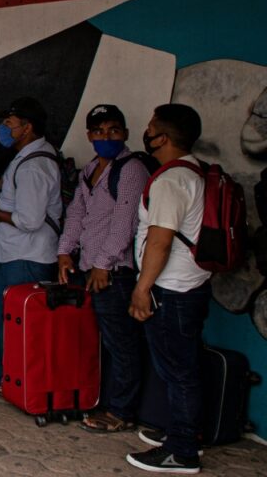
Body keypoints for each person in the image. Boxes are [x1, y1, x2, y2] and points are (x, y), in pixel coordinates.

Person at [57, 104, 151, 434]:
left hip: (114, 273)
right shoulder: (90, 171)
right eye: (98, 131)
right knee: (104, 342)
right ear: (89, 136)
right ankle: (105, 400)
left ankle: (121, 411)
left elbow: (125, 223)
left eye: (113, 130)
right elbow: (76, 216)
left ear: (124, 133)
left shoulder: (131, 169)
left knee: (122, 344)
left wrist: (102, 264)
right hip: (89, 269)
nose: (106, 136)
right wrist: (64, 252)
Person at [126, 104, 209, 474]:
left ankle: (182, 451)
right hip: (189, 284)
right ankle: (183, 433)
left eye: (151, 127)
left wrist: (142, 289)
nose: (147, 132)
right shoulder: (193, 172)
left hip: (171, 288)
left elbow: (160, 241)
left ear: (163, 137)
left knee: (178, 370)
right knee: (181, 365)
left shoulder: (172, 180)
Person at [0, 96, 61, 388]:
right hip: (21, 255)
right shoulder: (29, 158)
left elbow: (29, 220)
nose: (3, 128)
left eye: (8, 123)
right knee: (4, 311)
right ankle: (0, 373)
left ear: (27, 127)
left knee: (2, 313)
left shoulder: (34, 167)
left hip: (28, 256)